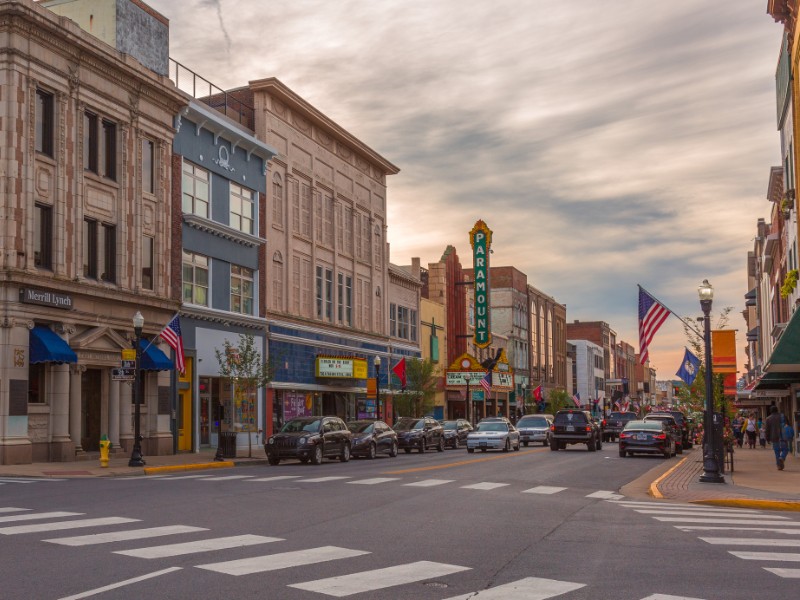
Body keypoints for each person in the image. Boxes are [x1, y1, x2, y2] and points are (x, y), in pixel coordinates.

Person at [765, 406, 789, 470]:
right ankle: (782, 457)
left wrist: (767, 438)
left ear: (771, 411)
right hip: (783, 436)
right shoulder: (783, 416)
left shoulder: (768, 418)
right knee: (785, 449)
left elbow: (767, 430)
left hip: (774, 437)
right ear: (777, 410)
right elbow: (788, 425)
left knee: (777, 451)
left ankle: (779, 466)